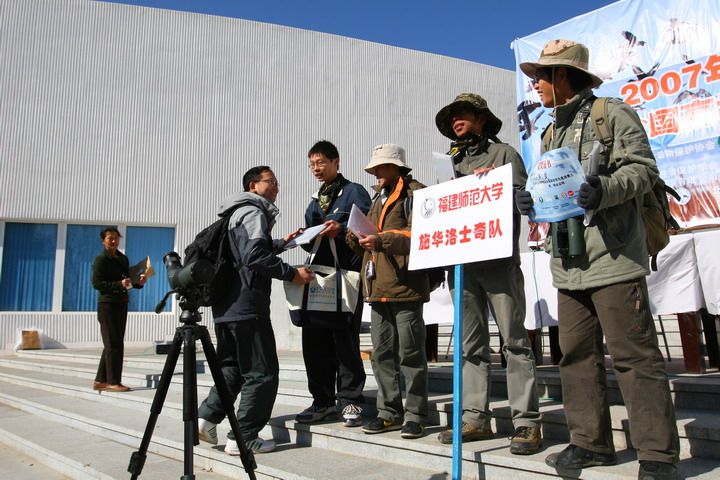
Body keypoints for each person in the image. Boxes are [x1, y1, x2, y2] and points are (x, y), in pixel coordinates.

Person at [517, 39, 679, 479]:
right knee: (575, 356)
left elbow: (644, 170)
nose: (535, 84)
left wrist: (605, 189)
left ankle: (658, 456)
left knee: (633, 356)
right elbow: (557, 187)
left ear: (563, 75)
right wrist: (534, 203)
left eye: (541, 76)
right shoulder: (549, 131)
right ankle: (590, 444)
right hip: (567, 262)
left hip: (612, 256)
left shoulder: (612, 113)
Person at [434, 93, 542, 455]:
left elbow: (525, 199)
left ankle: (526, 422)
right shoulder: (449, 162)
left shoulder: (505, 154)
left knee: (514, 341)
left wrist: (494, 185)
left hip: (498, 263)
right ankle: (474, 418)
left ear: (482, 120)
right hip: (462, 268)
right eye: (452, 117)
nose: (456, 121)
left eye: (463, 114)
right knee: (469, 347)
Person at [196, 166, 315, 455]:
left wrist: (283, 244)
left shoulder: (232, 214)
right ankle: (244, 436)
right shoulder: (253, 211)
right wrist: (292, 273)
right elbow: (253, 256)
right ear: (253, 185)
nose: (276, 187)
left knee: (233, 369)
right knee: (262, 373)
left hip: (226, 308)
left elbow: (245, 250)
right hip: (247, 307)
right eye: (271, 182)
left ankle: (206, 418)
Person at [346, 143, 430, 439]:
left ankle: (417, 414)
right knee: (382, 354)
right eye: (374, 169)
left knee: (411, 354)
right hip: (378, 286)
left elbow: (420, 233)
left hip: (407, 286)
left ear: (396, 167)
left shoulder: (416, 193)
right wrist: (355, 237)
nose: (376, 173)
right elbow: (370, 235)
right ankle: (388, 413)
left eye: (380, 168)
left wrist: (379, 239)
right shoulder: (377, 197)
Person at [296, 140, 370, 427]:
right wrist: (305, 236)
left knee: (345, 341)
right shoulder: (316, 200)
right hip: (319, 280)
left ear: (336, 162)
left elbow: (364, 229)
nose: (316, 168)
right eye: (312, 164)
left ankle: (351, 400)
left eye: (321, 163)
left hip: (347, 279)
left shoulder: (354, 192)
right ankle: (322, 402)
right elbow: (309, 246)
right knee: (314, 343)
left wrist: (340, 230)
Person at [92, 226, 146, 392]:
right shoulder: (101, 259)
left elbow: (126, 282)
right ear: (103, 241)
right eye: (110, 238)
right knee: (113, 344)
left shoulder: (123, 259)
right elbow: (97, 284)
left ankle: (101, 380)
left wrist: (138, 283)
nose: (114, 241)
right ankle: (113, 382)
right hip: (107, 305)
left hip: (121, 303)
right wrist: (118, 284)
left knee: (113, 342)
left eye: (116, 238)